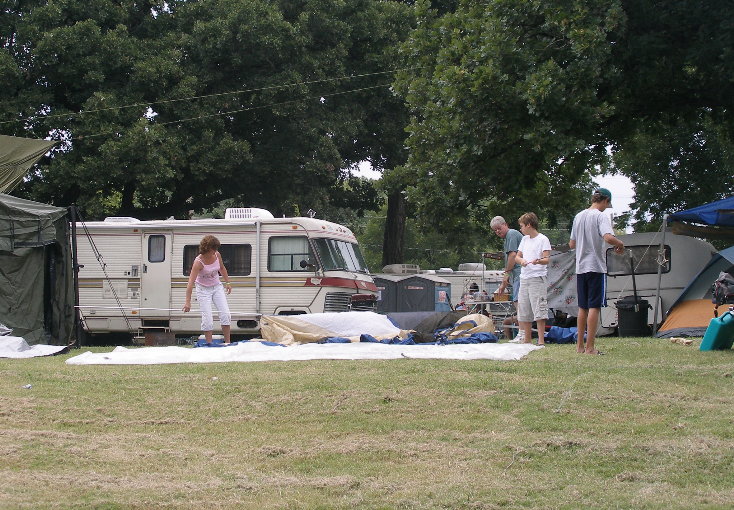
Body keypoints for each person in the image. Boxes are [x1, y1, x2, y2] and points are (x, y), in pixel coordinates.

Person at [569, 188, 625, 354]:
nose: (607, 208)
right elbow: (608, 237)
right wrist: (620, 243)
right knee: (594, 306)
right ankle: (590, 348)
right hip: (595, 266)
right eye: (608, 204)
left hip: (581, 267)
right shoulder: (600, 216)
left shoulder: (579, 216)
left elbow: (572, 244)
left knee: (582, 307)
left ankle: (580, 347)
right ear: (605, 200)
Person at [183, 235, 233, 345]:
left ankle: (228, 343)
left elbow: (222, 268)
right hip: (203, 289)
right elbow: (190, 283)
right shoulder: (198, 262)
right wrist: (187, 302)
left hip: (217, 287)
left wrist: (227, 282)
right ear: (207, 248)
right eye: (213, 249)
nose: (215, 251)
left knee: (225, 314)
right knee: (207, 318)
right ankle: (209, 344)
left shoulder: (217, 255)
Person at [515, 212, 552, 345]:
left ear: (529, 225)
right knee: (524, 308)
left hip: (537, 278)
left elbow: (546, 259)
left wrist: (538, 261)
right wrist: (522, 261)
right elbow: (517, 257)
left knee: (539, 308)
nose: (521, 229)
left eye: (522, 226)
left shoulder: (543, 239)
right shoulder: (524, 240)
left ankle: (541, 340)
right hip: (524, 278)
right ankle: (527, 338)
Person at [491, 215, 524, 341]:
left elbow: (512, 256)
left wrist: (505, 277)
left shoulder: (512, 234)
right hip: (517, 275)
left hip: (521, 274)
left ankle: (522, 333)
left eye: (499, 228)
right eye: (495, 230)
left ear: (505, 224)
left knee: (518, 303)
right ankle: (522, 333)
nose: (497, 231)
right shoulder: (508, 238)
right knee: (518, 303)